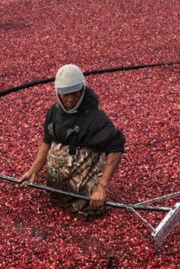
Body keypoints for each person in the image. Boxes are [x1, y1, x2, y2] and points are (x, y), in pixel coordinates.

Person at [17, 64, 126, 219]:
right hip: (58, 188)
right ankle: (61, 192)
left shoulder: (95, 119)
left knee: (91, 208)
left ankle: (84, 196)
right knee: (58, 197)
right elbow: (47, 141)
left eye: (75, 94)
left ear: (82, 89)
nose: (70, 99)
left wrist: (102, 187)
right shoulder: (54, 112)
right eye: (65, 94)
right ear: (57, 93)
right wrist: (33, 170)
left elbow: (116, 147)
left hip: (84, 186)